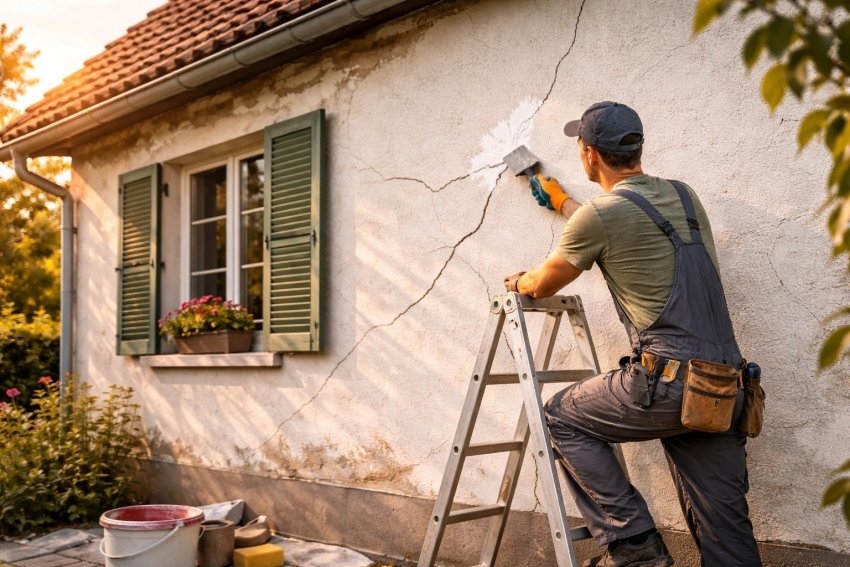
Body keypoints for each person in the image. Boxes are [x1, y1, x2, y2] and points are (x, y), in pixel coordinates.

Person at [503, 101, 761, 567]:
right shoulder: (685, 197)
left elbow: (542, 285)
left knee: (560, 417)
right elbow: (633, 225)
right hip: (723, 387)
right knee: (726, 528)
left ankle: (636, 545)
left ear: (588, 154)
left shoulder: (599, 217)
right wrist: (563, 203)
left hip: (666, 386)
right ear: (637, 147)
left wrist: (519, 280)